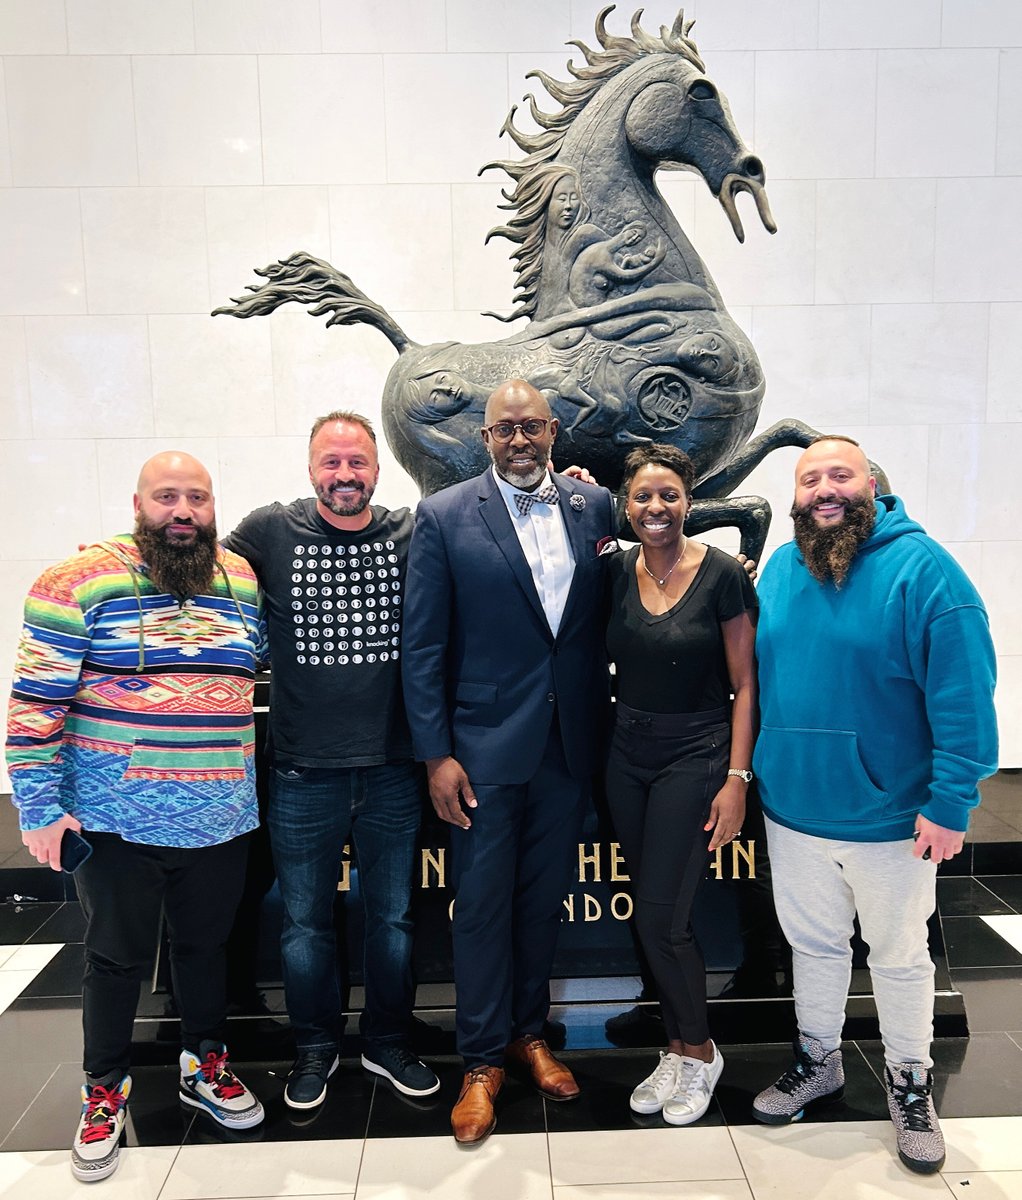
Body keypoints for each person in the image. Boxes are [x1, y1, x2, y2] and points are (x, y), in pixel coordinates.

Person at [5, 452, 266, 1183]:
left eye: (197, 498)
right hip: (113, 822)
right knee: (115, 960)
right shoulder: (77, 580)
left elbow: (257, 667)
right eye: (166, 498)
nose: (183, 511)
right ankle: (103, 1091)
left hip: (221, 816)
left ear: (214, 506)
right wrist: (38, 806)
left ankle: (203, 1066)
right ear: (138, 504)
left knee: (205, 953)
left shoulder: (240, 578)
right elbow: (35, 704)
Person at [750, 435, 998, 1175]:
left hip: (890, 818)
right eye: (809, 479)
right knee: (814, 947)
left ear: (872, 486)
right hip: (792, 809)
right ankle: (818, 1060)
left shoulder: (925, 572)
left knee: (896, 956)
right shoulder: (783, 569)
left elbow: (965, 700)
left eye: (839, 475)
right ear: (795, 500)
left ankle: (910, 1083)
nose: (824, 489)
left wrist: (951, 802)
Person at [402, 378, 617, 1144]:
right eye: (504, 430)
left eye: (532, 427)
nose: (519, 440)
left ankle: (531, 1035)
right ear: (484, 438)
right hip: (482, 752)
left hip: (570, 748)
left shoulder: (595, 509)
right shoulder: (444, 515)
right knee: (484, 908)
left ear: (554, 431)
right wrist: (437, 755)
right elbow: (422, 647)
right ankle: (481, 1060)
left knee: (541, 901)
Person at [223, 411, 439, 1109]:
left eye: (357, 462)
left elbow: (494, 530)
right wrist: (122, 557)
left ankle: (386, 1043)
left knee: (394, 919)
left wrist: (577, 491)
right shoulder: (268, 531)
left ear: (379, 469)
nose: (344, 475)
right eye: (331, 462)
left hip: (394, 768)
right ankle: (314, 1048)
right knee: (305, 922)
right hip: (300, 772)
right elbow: (194, 562)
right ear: (310, 466)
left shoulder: (413, 530)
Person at [605, 443, 757, 1125]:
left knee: (664, 920)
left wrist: (736, 777)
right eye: (643, 497)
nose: (656, 508)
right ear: (626, 504)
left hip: (695, 755)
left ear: (689, 501)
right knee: (651, 915)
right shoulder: (614, 571)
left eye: (668, 495)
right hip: (626, 755)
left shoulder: (723, 574)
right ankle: (674, 1046)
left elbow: (746, 683)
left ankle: (700, 1052)